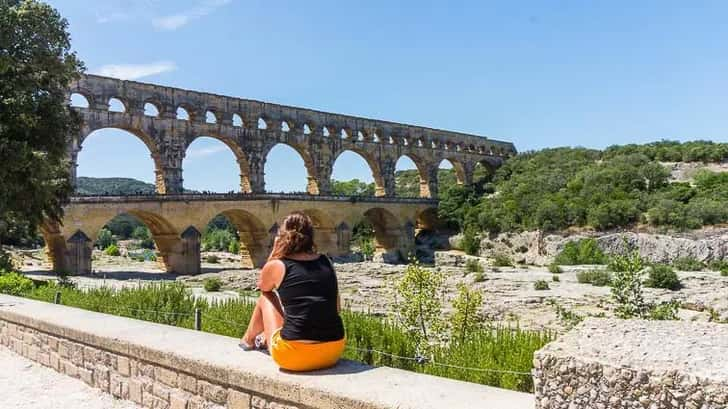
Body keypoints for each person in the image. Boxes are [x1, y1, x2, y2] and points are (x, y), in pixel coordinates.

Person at [240, 212, 346, 372]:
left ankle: (248, 340)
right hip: (333, 351)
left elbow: (263, 285)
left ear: (282, 236)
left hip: (293, 357)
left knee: (266, 297)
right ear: (311, 237)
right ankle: (260, 338)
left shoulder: (278, 265)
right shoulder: (326, 262)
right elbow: (337, 308)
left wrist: (275, 252)